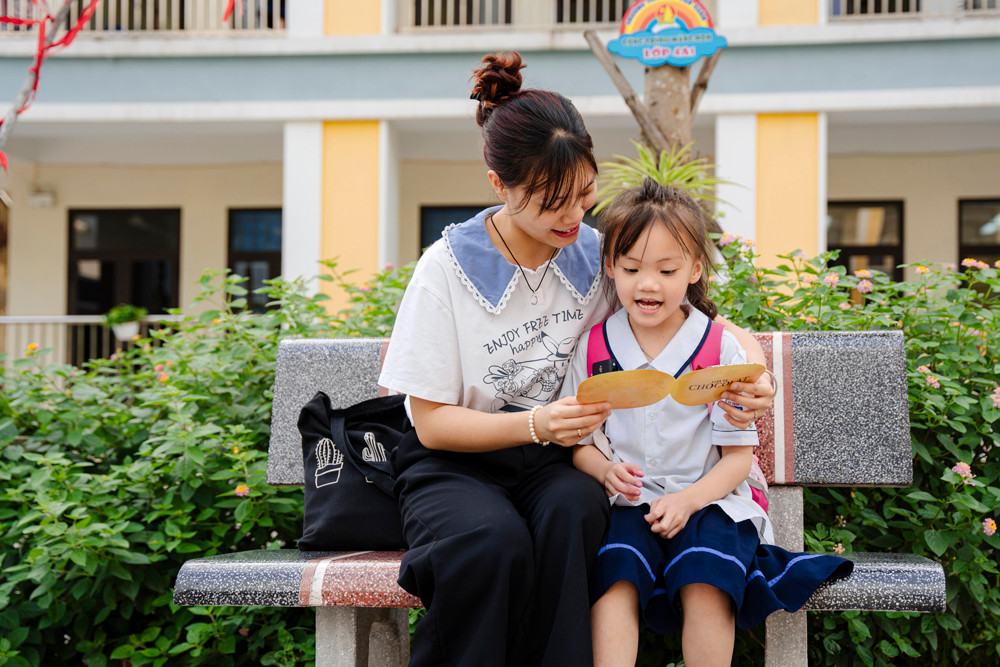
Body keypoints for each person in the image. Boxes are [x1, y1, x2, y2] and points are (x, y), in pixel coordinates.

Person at [378, 52, 775, 667]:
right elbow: (430, 422)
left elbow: (699, 316)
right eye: (552, 201)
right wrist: (536, 424)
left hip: (554, 463)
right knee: (491, 541)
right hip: (455, 461)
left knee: (574, 510)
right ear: (499, 186)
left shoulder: (595, 253)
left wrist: (755, 371)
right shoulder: (446, 270)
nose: (573, 215)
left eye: (584, 193)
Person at [565, 179, 853, 667]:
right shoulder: (593, 348)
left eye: (667, 269)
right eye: (631, 268)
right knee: (614, 578)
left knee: (706, 581)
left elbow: (738, 460)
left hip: (712, 498)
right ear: (610, 265)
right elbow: (580, 443)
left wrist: (688, 500)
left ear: (695, 269)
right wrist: (602, 470)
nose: (647, 284)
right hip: (629, 501)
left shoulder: (719, 350)